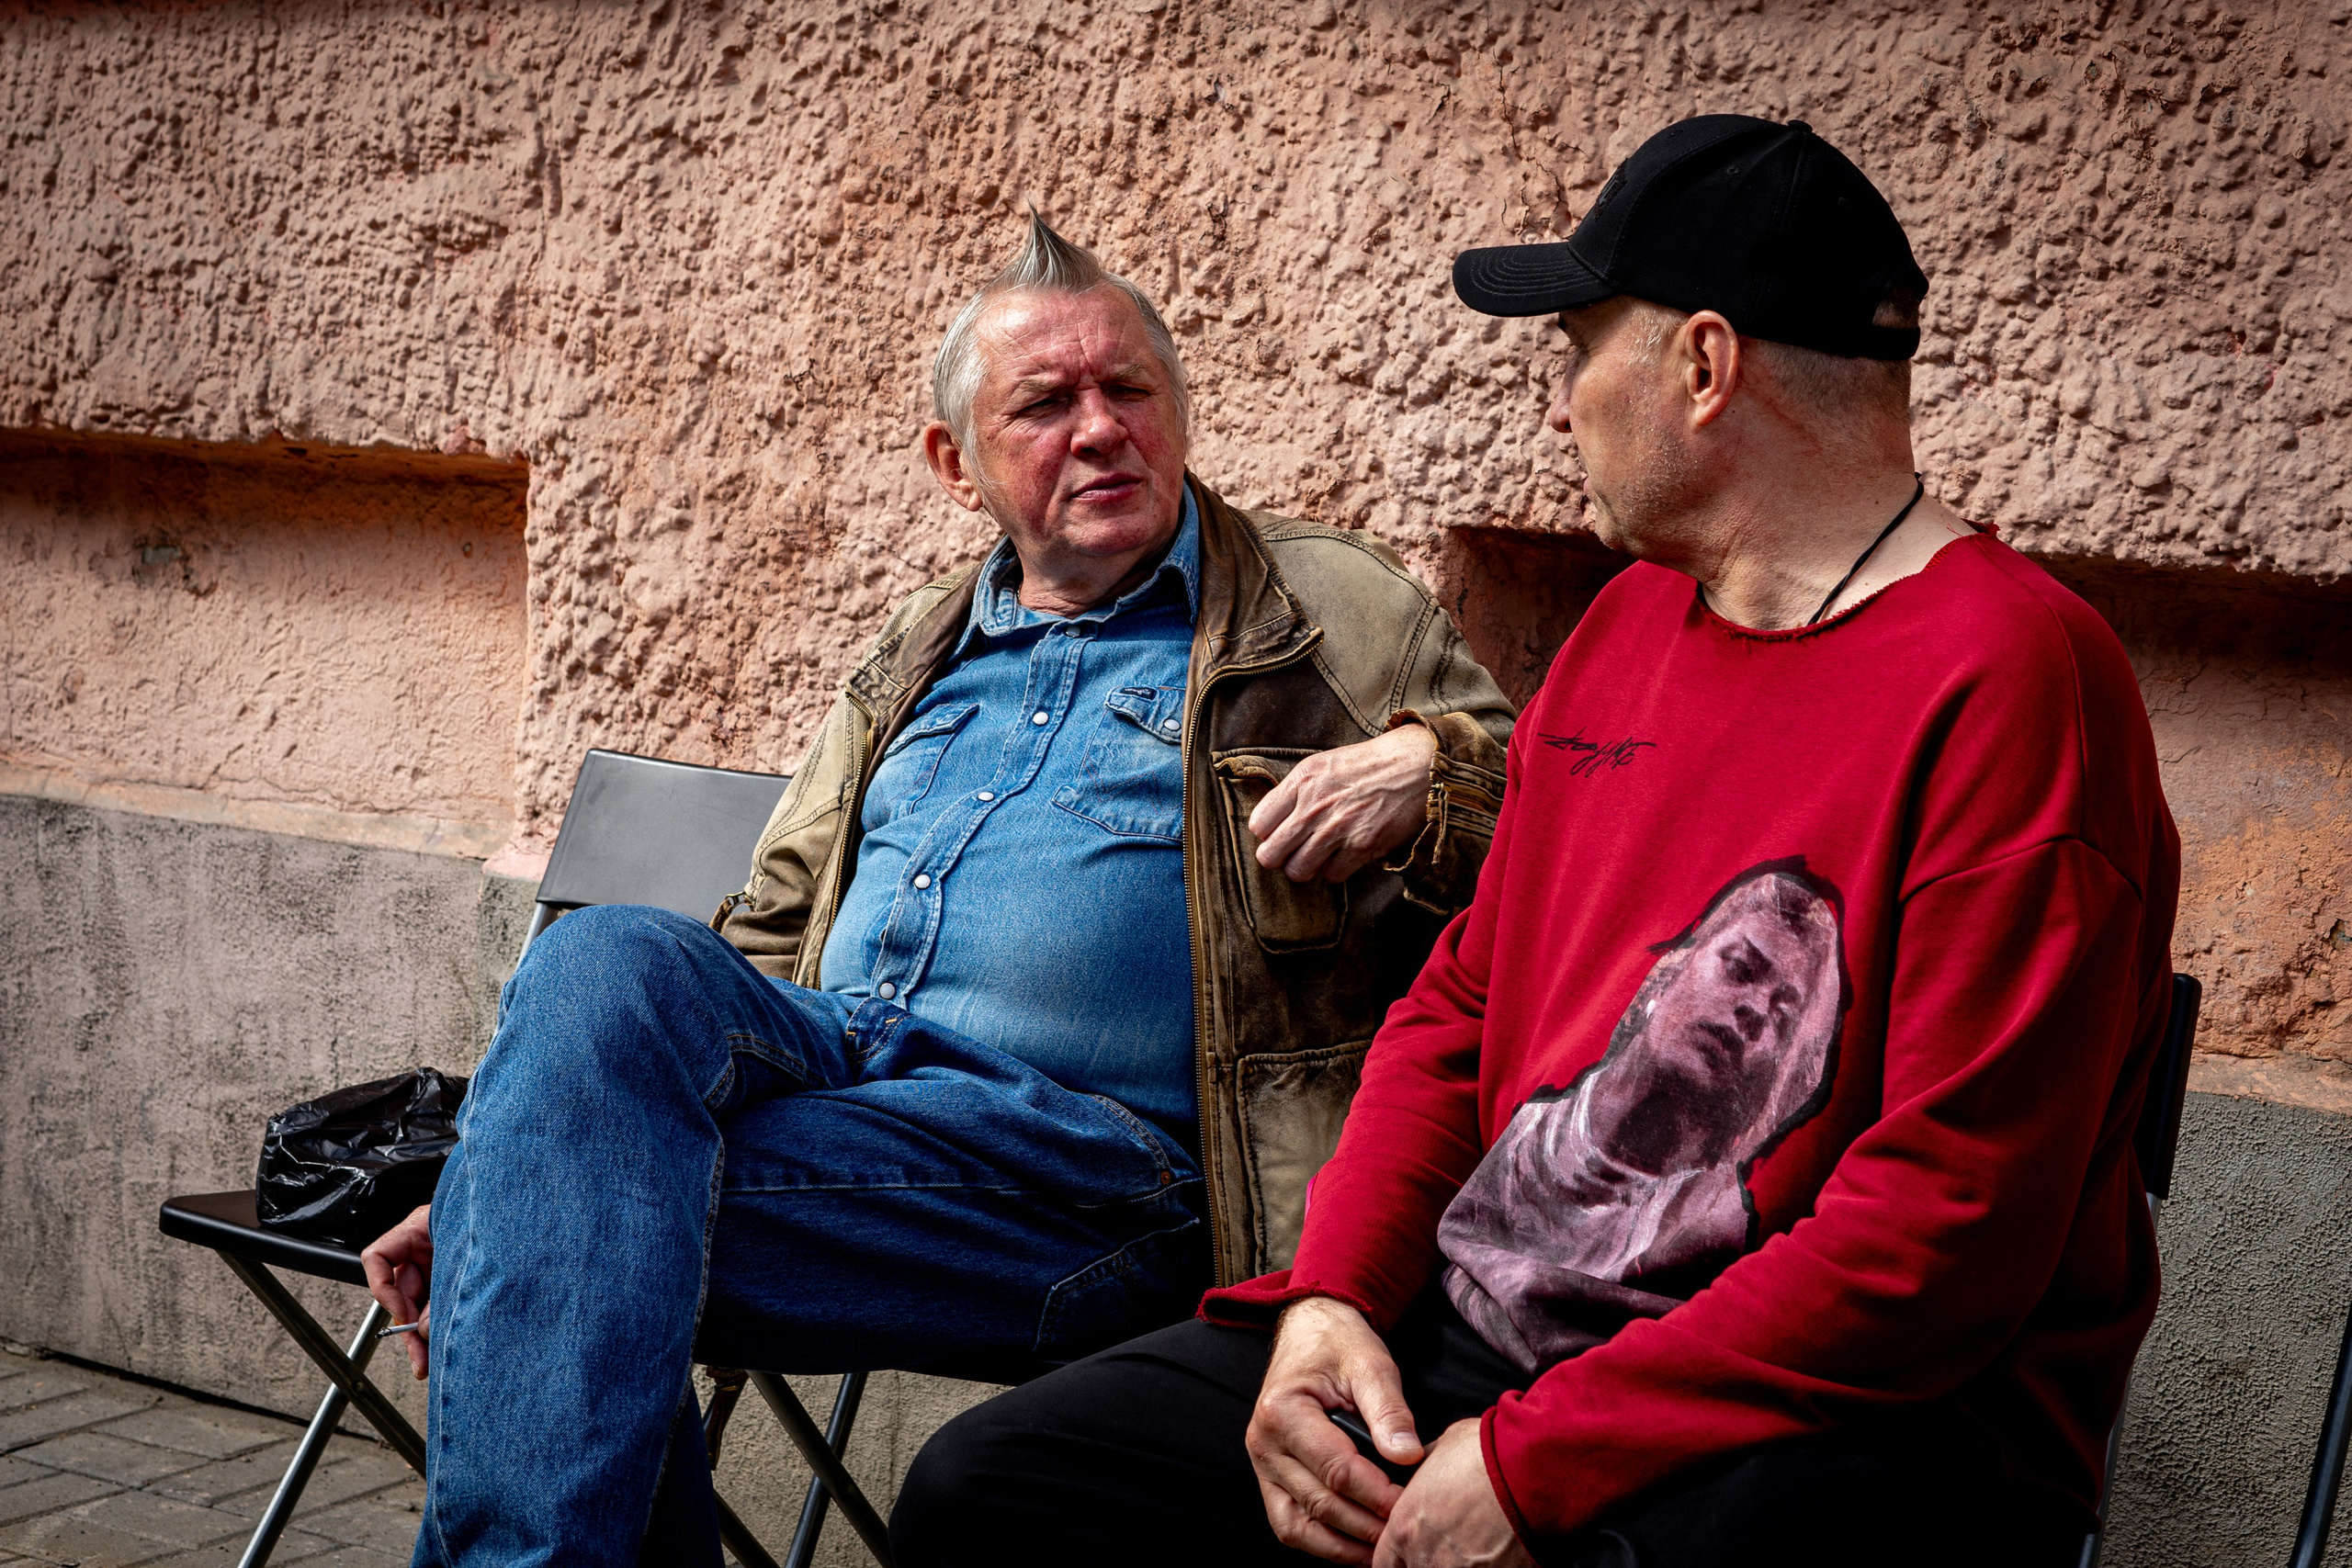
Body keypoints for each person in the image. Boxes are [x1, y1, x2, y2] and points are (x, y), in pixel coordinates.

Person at [892, 116, 2181, 1568]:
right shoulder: (1627, 628)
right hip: (1491, 1334)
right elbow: (1461, 1011)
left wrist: (1534, 1462)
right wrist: (1331, 1303)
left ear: (1704, 367)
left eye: (1577, 350)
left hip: (1845, 1426)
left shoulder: (2014, 681)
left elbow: (1943, 1235)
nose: (1561, 408)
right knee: (992, 1489)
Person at [359, 214, 1515, 1565]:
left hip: (1093, 1174)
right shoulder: (919, 642)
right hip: (845, 1086)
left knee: (553, 1260)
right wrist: (526, 1140)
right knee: (606, 960)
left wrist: (1427, 767)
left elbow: (1549, 820)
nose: (1101, 430)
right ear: (955, 465)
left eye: (1130, 390)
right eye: (1045, 404)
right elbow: (770, 923)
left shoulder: (1325, 605)